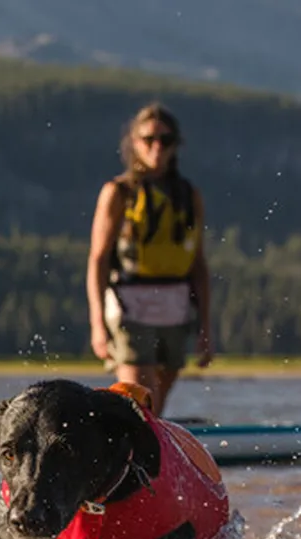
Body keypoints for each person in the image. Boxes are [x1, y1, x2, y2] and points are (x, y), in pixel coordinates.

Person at [86, 102, 212, 415]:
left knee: (154, 408)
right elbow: (98, 259)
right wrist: (97, 322)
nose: (158, 147)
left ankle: (145, 458)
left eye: (166, 141)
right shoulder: (119, 192)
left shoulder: (188, 195)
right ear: (134, 143)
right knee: (139, 402)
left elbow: (198, 264)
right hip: (129, 303)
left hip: (175, 306)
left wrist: (205, 327)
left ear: (175, 146)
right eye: (149, 140)